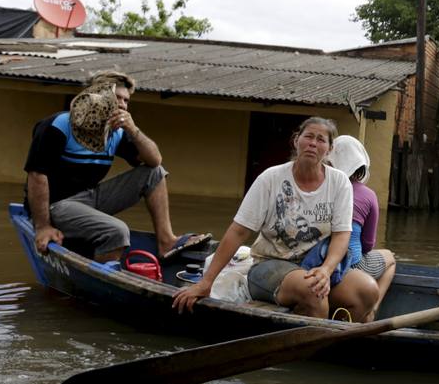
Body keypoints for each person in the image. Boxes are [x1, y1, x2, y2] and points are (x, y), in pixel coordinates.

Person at [171, 117, 380, 321]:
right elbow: (239, 232)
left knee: (367, 291)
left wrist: (326, 269)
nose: (313, 144)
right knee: (313, 291)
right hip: (271, 264)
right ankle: (305, 339)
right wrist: (206, 282)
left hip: (316, 264)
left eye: (320, 139)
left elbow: (342, 235)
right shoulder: (271, 178)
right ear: (296, 140)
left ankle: (320, 328)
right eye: (308, 137)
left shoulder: (339, 182)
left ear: (330, 149)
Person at [24, 70, 207, 263]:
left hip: (89, 198)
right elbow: (37, 176)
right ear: (99, 95)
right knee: (117, 231)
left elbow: (155, 161)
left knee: (154, 173)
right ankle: (99, 278)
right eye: (117, 97)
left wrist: (133, 130)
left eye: (126, 100)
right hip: (56, 205)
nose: (122, 104)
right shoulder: (58, 125)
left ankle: (166, 241)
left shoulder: (117, 132)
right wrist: (42, 226)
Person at [326, 135, 396, 319]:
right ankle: (372, 310)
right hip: (353, 264)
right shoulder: (368, 195)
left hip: (321, 261)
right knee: (390, 258)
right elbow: (367, 245)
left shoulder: (322, 188)